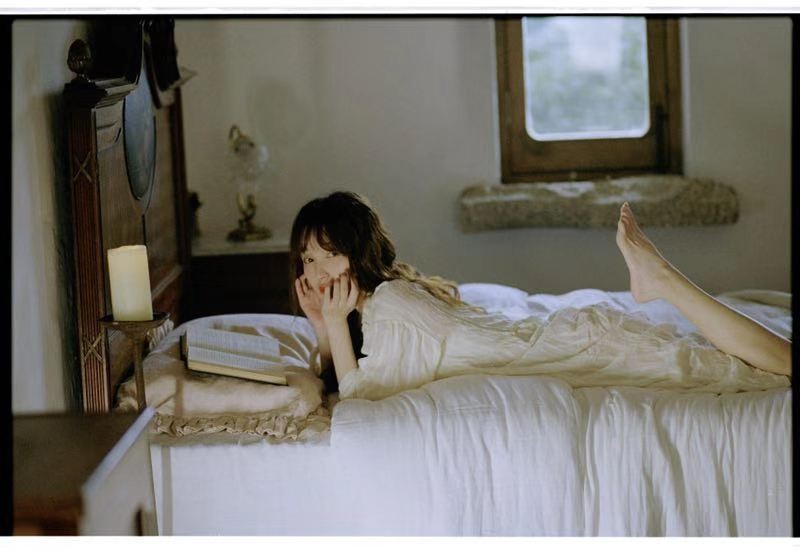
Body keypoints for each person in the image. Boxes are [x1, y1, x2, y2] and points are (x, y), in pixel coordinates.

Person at [290, 191, 791, 401]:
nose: (316, 272)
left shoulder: (391, 306)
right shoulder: (376, 310)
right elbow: (345, 382)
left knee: (778, 368)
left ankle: (661, 278)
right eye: (308, 259)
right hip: (576, 340)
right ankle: (659, 280)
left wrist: (331, 326)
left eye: (329, 254)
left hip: (587, 348)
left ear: (358, 252)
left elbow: (362, 403)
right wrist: (322, 326)